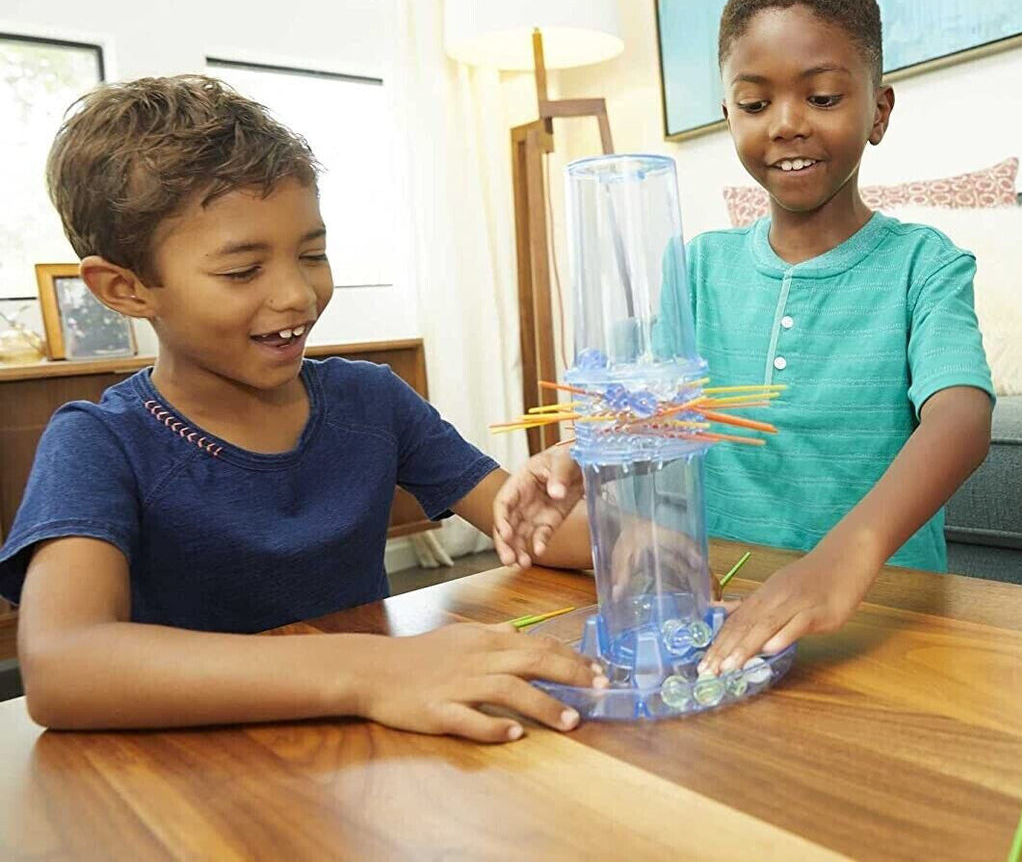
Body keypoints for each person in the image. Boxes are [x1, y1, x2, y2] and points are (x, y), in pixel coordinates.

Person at [1, 76, 602, 742]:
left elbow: (528, 526)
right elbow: (62, 666)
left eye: (311, 253)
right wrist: (372, 671)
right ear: (125, 288)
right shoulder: (99, 443)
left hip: (367, 753)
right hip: (191, 787)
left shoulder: (370, 399)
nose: (297, 294)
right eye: (241, 271)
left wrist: (619, 514)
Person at [495, 0, 995, 677]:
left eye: (821, 97)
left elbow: (960, 420)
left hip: (876, 615)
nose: (786, 124)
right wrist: (576, 456)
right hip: (719, 616)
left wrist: (841, 559)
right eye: (755, 104)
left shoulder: (925, 263)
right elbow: (637, 403)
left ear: (878, 111)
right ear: (728, 114)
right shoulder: (694, 267)